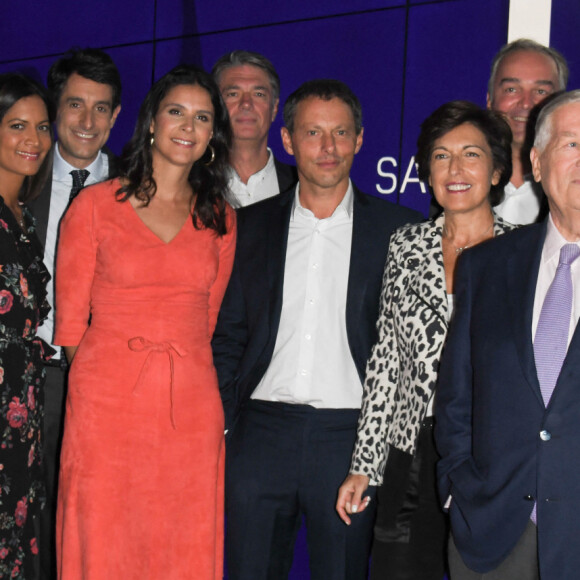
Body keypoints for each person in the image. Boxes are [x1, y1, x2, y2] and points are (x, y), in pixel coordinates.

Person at [212, 79, 421, 579]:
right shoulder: (249, 227)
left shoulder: (399, 231)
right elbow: (228, 336)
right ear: (287, 141)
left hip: (350, 439)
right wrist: (224, 426)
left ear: (360, 139)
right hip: (260, 436)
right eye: (312, 133)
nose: (327, 148)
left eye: (340, 133)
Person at [53, 64, 236, 579]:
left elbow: (207, 320)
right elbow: (69, 330)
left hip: (190, 410)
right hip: (106, 411)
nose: (187, 126)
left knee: (182, 538)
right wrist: (109, 391)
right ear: (152, 121)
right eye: (176, 111)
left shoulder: (220, 217)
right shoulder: (92, 207)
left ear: (212, 136)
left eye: (202, 117)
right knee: (104, 535)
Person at [336, 101, 516, 579]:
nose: (455, 169)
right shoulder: (405, 245)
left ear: (497, 171)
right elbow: (386, 363)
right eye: (441, 156)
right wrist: (365, 466)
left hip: (491, 456)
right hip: (412, 453)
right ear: (427, 172)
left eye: (471, 154)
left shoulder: (523, 252)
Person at [435, 89, 580, 580]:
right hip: (492, 534)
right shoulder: (486, 266)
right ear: (537, 163)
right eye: (571, 144)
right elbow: (458, 393)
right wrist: (456, 486)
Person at [28, 47, 122, 578]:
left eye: (101, 108)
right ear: (54, 107)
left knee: (93, 519)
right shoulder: (23, 176)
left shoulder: (137, 185)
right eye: (75, 105)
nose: (88, 122)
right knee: (29, 515)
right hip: (30, 376)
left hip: (105, 381)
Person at [0, 73, 55, 580]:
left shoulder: (25, 217)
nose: (33, 141)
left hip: (23, 407)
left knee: (17, 537)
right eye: (17, 125)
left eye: (42, 127)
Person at [487, 38, 568, 225]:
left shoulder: (573, 185)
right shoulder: (463, 181)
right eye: (512, 89)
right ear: (490, 101)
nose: (526, 103)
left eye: (540, 91)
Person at [212, 50, 296, 206]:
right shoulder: (190, 185)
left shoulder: (303, 184)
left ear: (274, 109)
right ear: (214, 107)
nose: (246, 104)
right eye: (233, 94)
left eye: (258, 94)